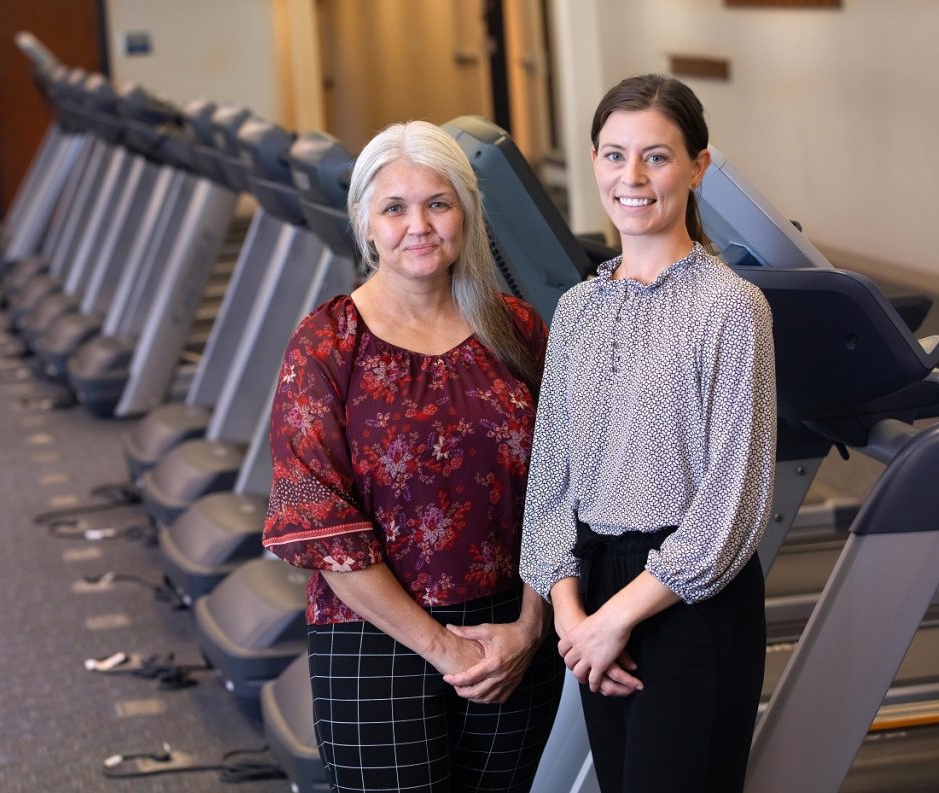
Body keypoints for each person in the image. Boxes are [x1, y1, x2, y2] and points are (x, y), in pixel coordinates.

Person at [261, 120, 564, 793]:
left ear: (465, 213)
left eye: (438, 203)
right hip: (374, 638)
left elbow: (561, 488)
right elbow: (321, 526)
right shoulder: (324, 344)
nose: (417, 225)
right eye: (394, 208)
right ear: (366, 224)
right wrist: (441, 646)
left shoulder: (518, 331)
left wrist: (529, 624)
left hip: (510, 637)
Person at [520, 74, 776, 793]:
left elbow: (732, 505)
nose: (631, 177)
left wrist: (614, 620)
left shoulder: (732, 307)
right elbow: (550, 485)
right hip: (595, 589)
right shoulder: (576, 310)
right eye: (613, 154)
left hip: (690, 602)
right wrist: (572, 615)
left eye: (657, 157)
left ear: (697, 167)